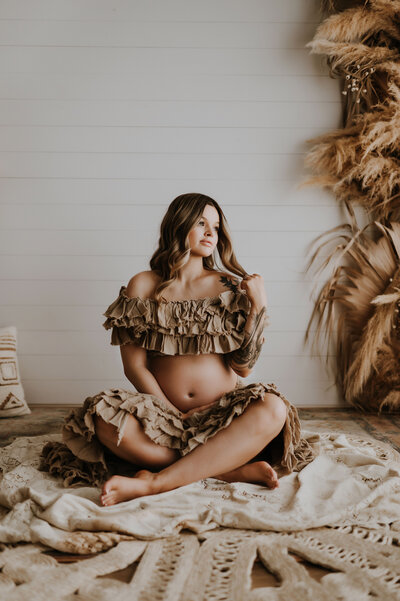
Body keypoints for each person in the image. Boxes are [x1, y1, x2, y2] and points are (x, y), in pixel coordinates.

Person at [41, 193, 315, 505]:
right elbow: (135, 367)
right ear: (178, 225)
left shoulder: (229, 286)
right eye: (201, 223)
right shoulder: (143, 285)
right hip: (160, 416)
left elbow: (243, 368)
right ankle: (224, 469)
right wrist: (173, 416)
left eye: (216, 226)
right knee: (102, 420)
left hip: (221, 415)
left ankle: (155, 482)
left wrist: (258, 308)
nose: (211, 232)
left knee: (273, 409)